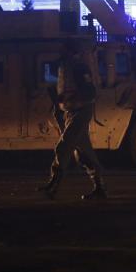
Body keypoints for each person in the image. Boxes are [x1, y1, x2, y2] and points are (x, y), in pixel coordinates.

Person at [37, 38, 106, 200]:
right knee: (83, 153)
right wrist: (59, 104)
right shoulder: (63, 67)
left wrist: (71, 96)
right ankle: (99, 188)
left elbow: (91, 93)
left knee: (64, 146)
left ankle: (53, 185)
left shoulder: (80, 68)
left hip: (81, 111)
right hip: (69, 112)